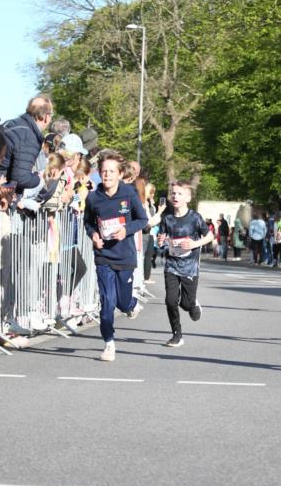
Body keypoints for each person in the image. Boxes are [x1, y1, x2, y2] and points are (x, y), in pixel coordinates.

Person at [83, 150, 149, 361]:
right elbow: (88, 222)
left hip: (125, 256)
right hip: (103, 255)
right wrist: (93, 235)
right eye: (104, 171)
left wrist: (126, 230)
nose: (107, 175)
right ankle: (109, 343)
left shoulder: (129, 194)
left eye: (112, 171)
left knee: (122, 302)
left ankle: (131, 305)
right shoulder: (93, 198)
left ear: (120, 174)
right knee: (107, 302)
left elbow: (142, 220)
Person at [158, 181, 213, 348]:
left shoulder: (195, 218)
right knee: (170, 300)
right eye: (173, 193)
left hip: (190, 267)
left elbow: (210, 236)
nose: (175, 196)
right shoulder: (167, 218)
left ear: (188, 198)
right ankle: (177, 334)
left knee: (186, 304)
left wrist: (195, 244)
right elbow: (163, 239)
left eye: (179, 193)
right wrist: (161, 241)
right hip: (172, 265)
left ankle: (192, 303)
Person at [0, 97, 53, 192]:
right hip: (0, 189)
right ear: (46, 117)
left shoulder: (13, 123)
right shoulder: (29, 137)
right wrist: (38, 178)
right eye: (51, 115)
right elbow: (21, 179)